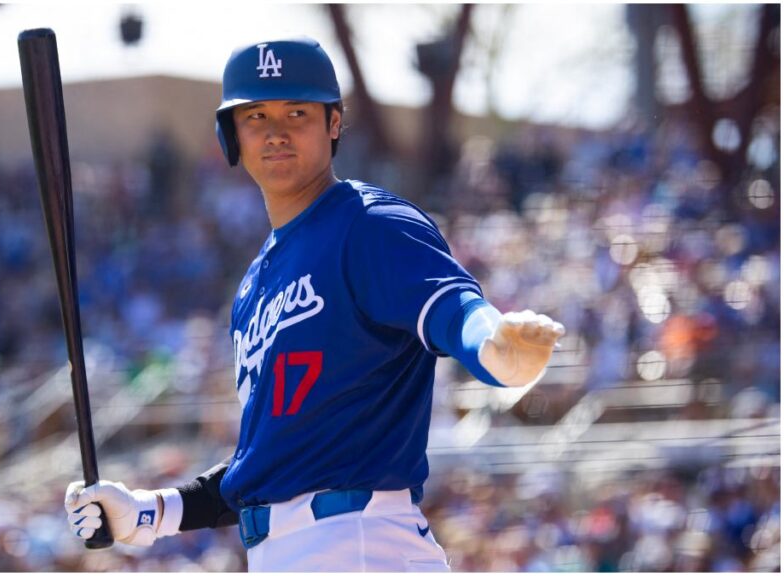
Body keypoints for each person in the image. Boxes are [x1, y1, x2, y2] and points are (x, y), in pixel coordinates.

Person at [65, 37, 565, 571]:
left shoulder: (367, 224)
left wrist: (494, 346)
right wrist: (149, 511)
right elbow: (269, 464)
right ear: (230, 134)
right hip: (290, 550)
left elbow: (457, 310)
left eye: (297, 112)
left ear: (333, 124)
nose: (276, 131)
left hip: (359, 540)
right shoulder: (254, 285)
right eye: (255, 115)